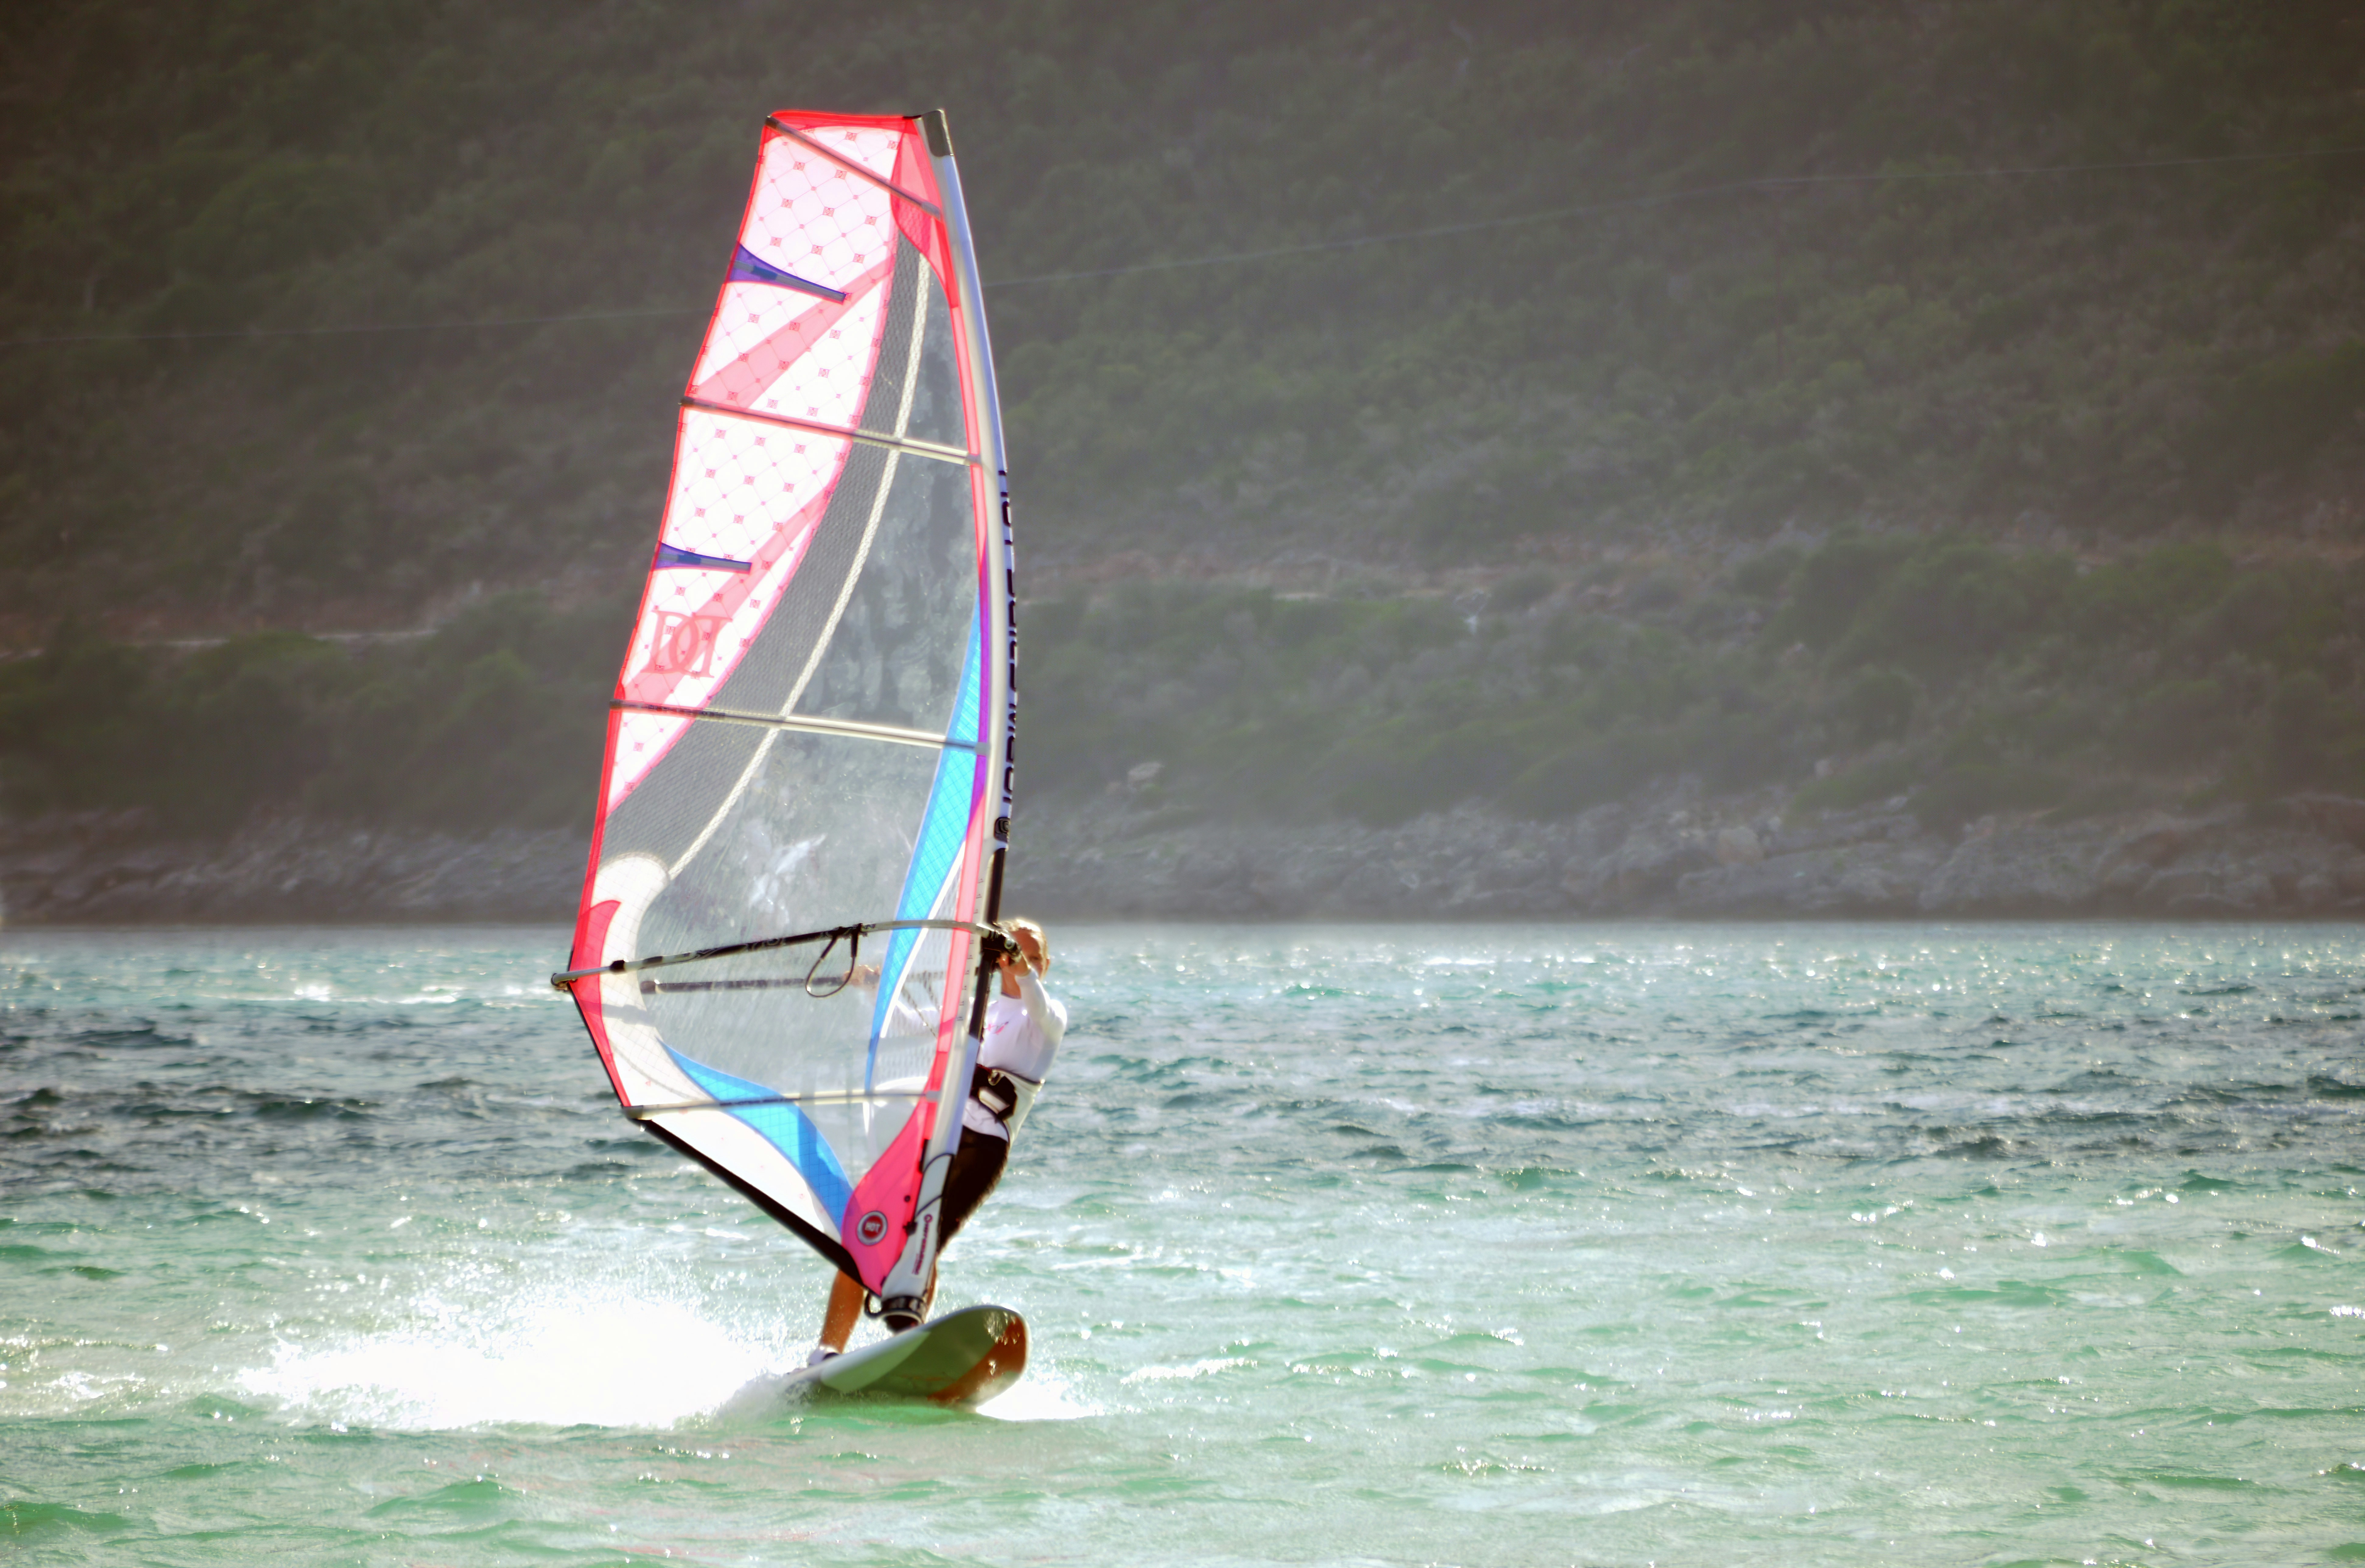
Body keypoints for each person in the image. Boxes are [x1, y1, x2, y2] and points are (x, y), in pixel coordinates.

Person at [810, 917, 1065, 1361]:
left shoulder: (1046, 1016)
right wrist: (871, 986)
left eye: (1035, 956)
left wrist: (1020, 967)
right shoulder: (974, 1008)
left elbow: (1039, 1005)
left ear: (1044, 964)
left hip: (981, 1144)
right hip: (939, 1128)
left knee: (926, 1237)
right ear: (996, 959)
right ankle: (827, 1351)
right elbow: (910, 1022)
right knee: (869, 1226)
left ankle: (905, 1340)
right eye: (1016, 953)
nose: (1027, 962)